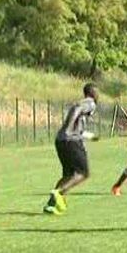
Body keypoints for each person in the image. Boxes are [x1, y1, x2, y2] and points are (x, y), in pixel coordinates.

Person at [43, 84, 99, 215]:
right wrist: (69, 128)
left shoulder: (80, 103)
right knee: (83, 173)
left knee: (68, 175)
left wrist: (89, 136)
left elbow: (78, 126)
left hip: (61, 140)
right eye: (97, 92)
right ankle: (58, 193)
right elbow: (77, 110)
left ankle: (51, 205)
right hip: (71, 141)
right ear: (93, 93)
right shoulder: (90, 103)